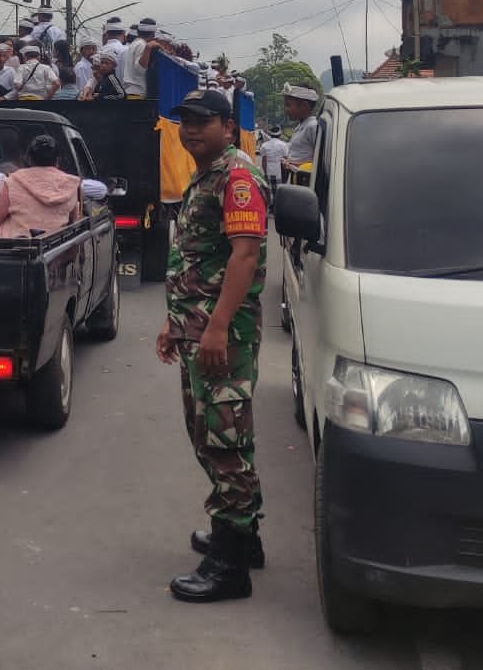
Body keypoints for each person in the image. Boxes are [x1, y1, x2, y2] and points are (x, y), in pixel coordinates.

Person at [155, 88, 268, 602]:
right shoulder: (209, 173)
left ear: (228, 126)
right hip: (197, 327)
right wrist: (174, 321)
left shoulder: (237, 177)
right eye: (186, 121)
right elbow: (196, 257)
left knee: (225, 442)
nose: (191, 129)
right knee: (210, 435)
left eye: (203, 121)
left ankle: (230, 565)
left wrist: (218, 326)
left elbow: (244, 256)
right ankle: (244, 535)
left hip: (223, 332)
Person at [0, 134, 81, 238]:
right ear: (57, 160)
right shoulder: (71, 184)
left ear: (29, 159)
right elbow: (73, 221)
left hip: (15, 244)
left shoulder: (14, 180)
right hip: (56, 244)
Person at [282, 83, 322, 177]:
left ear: (304, 106)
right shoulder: (300, 127)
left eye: (288, 105)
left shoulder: (312, 126)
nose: (286, 109)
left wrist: (295, 165)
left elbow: (320, 159)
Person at [121, 18, 165, 100]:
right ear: (153, 34)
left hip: (131, 92)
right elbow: (140, 68)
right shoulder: (142, 45)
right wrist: (148, 47)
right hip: (137, 94)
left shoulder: (135, 43)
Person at [260, 125, 289, 195]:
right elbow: (286, 159)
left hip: (269, 170)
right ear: (280, 135)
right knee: (281, 190)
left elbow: (264, 162)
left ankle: (272, 201)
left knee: (270, 191)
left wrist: (265, 173)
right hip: (281, 170)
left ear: (270, 134)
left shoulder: (264, 145)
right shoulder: (283, 145)